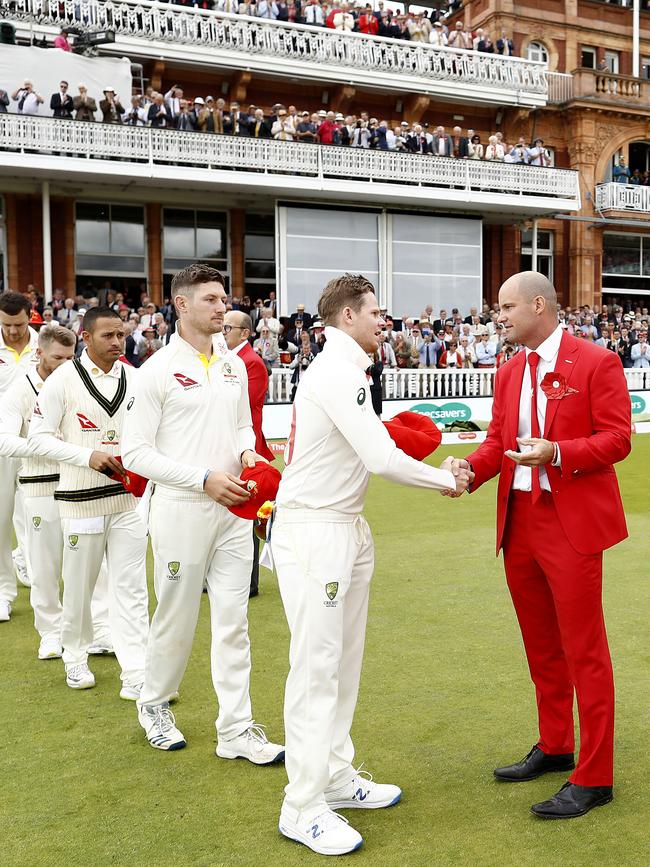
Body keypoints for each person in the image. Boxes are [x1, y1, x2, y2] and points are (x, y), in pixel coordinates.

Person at [271, 274, 470, 856]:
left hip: (343, 526)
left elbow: (371, 449)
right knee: (316, 669)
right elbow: (381, 457)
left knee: (343, 664)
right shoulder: (335, 370)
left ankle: (334, 776)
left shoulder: (349, 370)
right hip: (315, 529)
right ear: (347, 317)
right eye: (376, 313)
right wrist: (444, 481)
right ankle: (301, 805)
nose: (384, 322)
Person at [455, 271, 631, 819]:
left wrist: (557, 452)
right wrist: (469, 471)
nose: (498, 317)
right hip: (520, 523)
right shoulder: (508, 372)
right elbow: (496, 443)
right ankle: (556, 746)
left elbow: (618, 438)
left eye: (506, 307)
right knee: (542, 648)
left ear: (539, 305)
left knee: (585, 651)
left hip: (571, 523)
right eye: (496, 309)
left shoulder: (596, 362)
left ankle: (595, 776)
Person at [122, 264, 284, 761]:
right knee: (176, 615)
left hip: (234, 511)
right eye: (212, 299)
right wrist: (201, 479)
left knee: (234, 621)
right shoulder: (156, 371)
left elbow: (240, 428)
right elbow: (134, 454)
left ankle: (235, 728)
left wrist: (248, 454)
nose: (223, 307)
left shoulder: (233, 364)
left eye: (224, 299)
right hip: (181, 509)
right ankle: (153, 703)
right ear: (182, 305)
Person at [27, 307, 150, 695]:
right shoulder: (63, 380)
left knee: (131, 587)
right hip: (80, 501)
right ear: (86, 336)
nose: (117, 342)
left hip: (128, 501)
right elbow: (38, 438)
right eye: (108, 336)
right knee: (79, 587)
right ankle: (75, 657)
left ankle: (137, 670)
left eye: (121, 335)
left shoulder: (135, 377)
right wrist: (87, 456)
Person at [0, 324, 111, 657]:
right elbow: (5, 441)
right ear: (40, 353)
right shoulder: (19, 390)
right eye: (57, 357)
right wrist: (47, 446)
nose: (65, 363)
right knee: (44, 564)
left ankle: (101, 627)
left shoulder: (79, 383)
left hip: (80, 484)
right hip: (39, 486)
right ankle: (50, 631)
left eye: (70, 356)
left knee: (93, 562)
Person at [223, 310, 274, 599]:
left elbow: (241, 409)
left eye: (228, 327)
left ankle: (249, 581)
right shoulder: (230, 361)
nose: (223, 331)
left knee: (248, 516)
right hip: (235, 447)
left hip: (248, 449)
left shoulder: (251, 363)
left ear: (245, 333)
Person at [0, 292, 39, 621]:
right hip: (0, 446)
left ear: (31, 317)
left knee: (34, 517)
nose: (13, 331)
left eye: (19, 324)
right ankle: (3, 592)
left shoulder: (43, 345)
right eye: (6, 325)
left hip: (33, 446)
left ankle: (33, 572)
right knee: (1, 519)